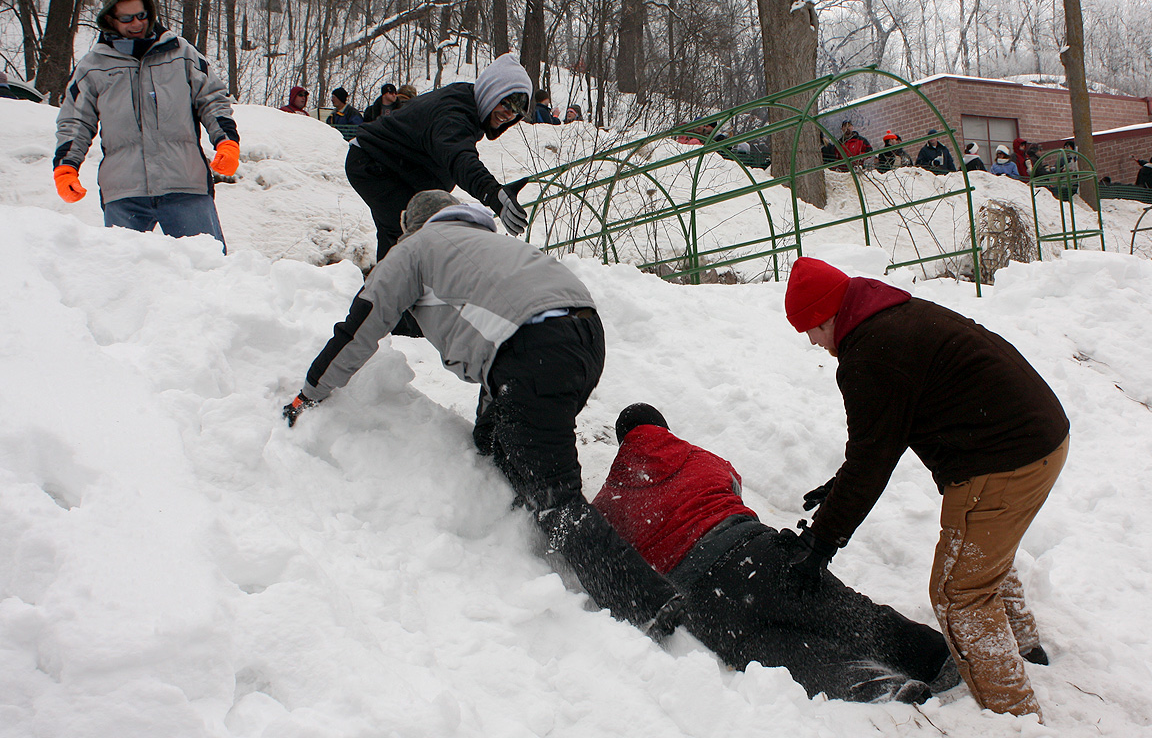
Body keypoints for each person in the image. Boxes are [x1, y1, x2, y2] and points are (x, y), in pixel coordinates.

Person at [282, 191, 683, 637]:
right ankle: (515, 525)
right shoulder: (488, 243)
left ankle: (648, 603)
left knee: (555, 496)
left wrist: (310, 391)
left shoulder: (415, 249)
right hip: (583, 339)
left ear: (412, 225)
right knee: (493, 444)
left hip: (533, 351)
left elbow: (363, 321)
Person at [784, 257, 1069, 721]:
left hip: (1004, 458)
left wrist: (821, 541)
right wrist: (839, 487)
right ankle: (1022, 643)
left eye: (811, 328)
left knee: (958, 592)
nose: (813, 341)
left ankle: (1015, 718)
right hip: (1039, 437)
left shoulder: (870, 352)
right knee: (979, 552)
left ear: (828, 314)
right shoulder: (891, 315)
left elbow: (872, 460)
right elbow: (880, 439)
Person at [594, 404, 957, 704]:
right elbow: (733, 486)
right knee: (843, 610)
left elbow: (611, 556)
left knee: (781, 652)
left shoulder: (610, 499)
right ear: (664, 429)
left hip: (705, 601)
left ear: (623, 443)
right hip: (758, 553)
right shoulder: (700, 458)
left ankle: (881, 691)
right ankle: (937, 658)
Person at [53, 0, 238, 252]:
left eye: (141, 15)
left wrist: (227, 142)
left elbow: (212, 99)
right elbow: (75, 120)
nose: (137, 24)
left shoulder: (181, 53)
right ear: (109, 20)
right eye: (127, 18)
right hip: (124, 192)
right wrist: (66, 167)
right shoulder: (92, 67)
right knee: (125, 272)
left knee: (207, 267)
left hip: (185, 184)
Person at [346, 53, 535, 262]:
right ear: (492, 91)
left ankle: (385, 280)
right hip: (375, 165)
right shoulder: (454, 113)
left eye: (517, 111)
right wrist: (492, 192)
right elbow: (459, 157)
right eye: (506, 104)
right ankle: (394, 280)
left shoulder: (468, 103)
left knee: (400, 242)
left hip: (388, 166)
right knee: (418, 236)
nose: (509, 114)